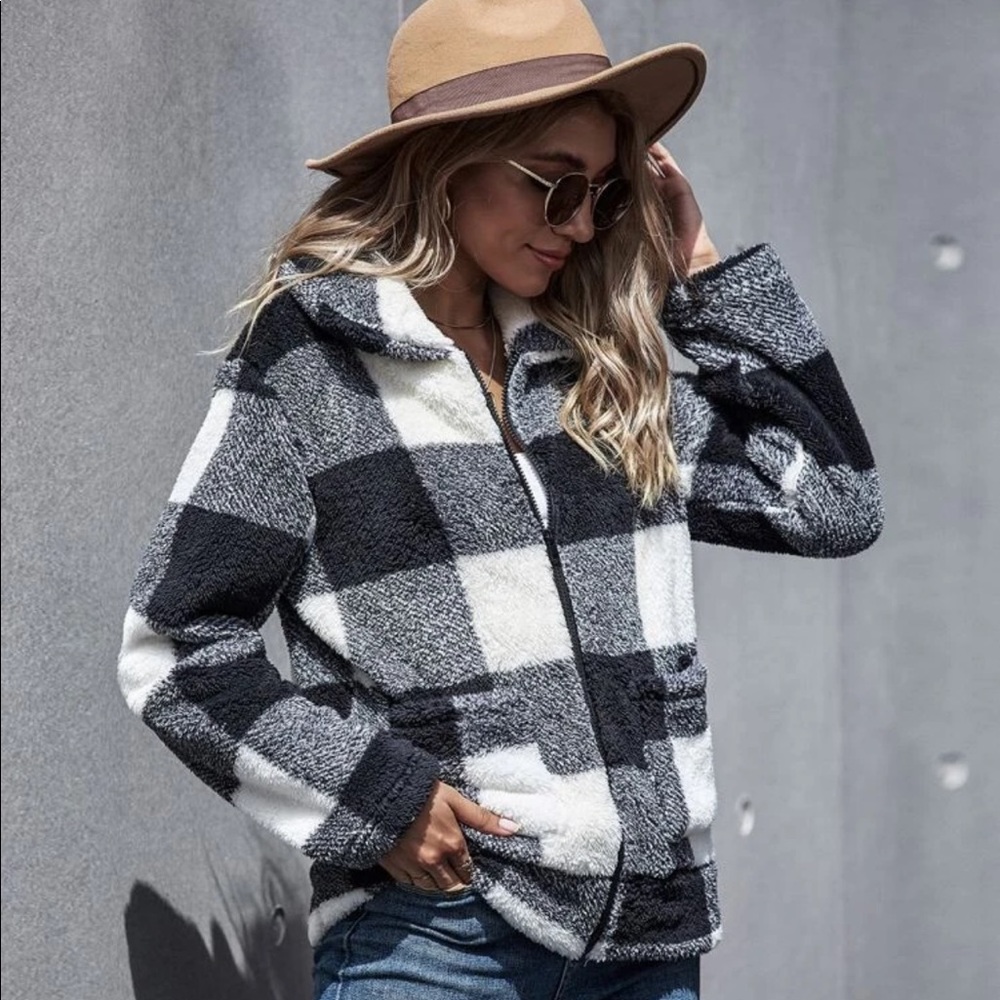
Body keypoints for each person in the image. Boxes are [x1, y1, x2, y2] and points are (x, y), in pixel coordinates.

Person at [115, 1, 885, 997]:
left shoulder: (597, 374)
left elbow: (831, 500)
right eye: (555, 185)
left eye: (604, 194)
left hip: (649, 944)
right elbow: (176, 648)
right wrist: (379, 799)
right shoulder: (314, 362)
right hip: (438, 941)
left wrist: (697, 270)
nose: (580, 225)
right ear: (447, 162)